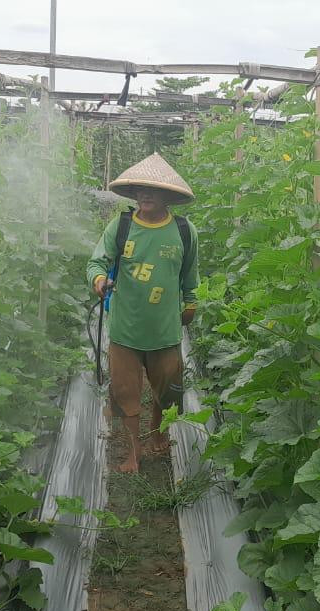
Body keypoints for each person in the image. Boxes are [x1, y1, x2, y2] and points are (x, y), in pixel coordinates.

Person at [87, 153, 199, 473]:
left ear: (167, 195)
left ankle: (157, 436)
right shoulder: (121, 226)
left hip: (165, 329)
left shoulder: (183, 231)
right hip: (125, 327)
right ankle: (134, 451)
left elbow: (190, 276)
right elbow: (97, 262)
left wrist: (190, 304)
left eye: (153, 189)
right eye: (139, 189)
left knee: (166, 388)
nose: (145, 195)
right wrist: (99, 279)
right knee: (125, 391)